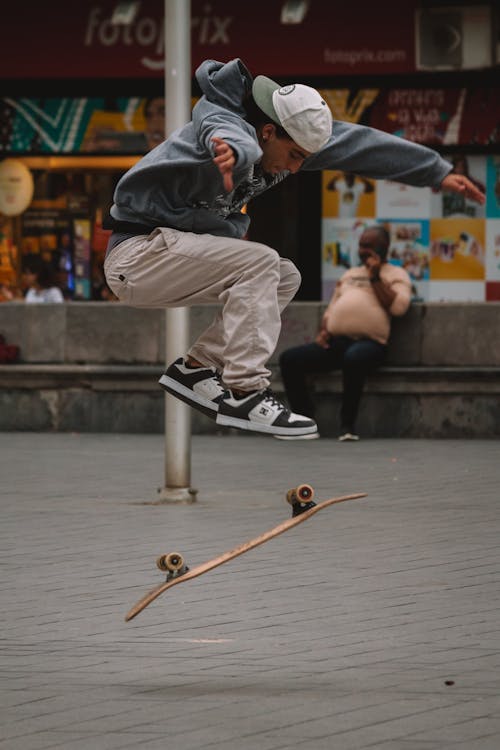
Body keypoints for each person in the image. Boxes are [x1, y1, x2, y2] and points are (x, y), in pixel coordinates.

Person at [103, 58, 484, 439]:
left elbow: (360, 145)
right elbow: (221, 127)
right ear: (267, 132)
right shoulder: (226, 124)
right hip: (137, 254)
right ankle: (246, 391)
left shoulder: (288, 137)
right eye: (295, 156)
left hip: (168, 255)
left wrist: (437, 172)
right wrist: (235, 152)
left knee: (284, 276)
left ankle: (198, 369)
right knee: (261, 262)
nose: (296, 168)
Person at [279, 226, 411, 441]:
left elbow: (398, 308)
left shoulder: (397, 274)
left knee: (354, 358)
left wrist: (376, 276)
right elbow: (332, 307)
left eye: (369, 245)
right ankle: (305, 422)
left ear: (384, 247)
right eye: (361, 245)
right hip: (337, 343)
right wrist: (324, 330)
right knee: (290, 359)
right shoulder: (350, 274)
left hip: (372, 345)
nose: (363, 249)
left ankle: (347, 426)